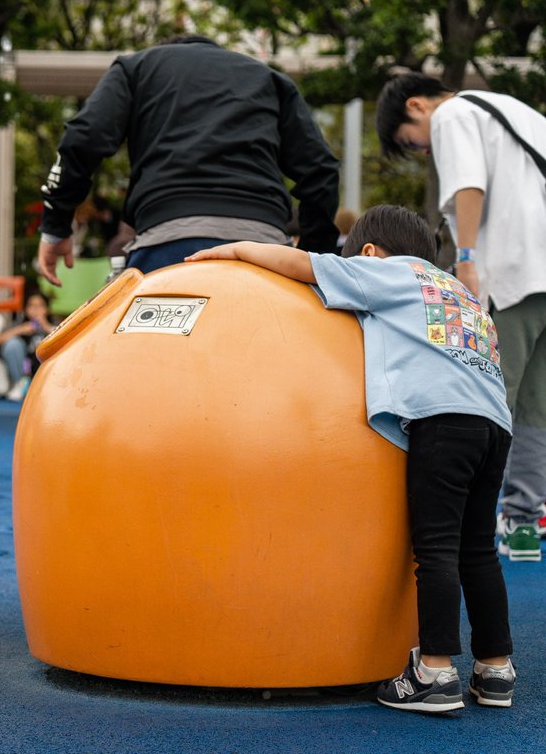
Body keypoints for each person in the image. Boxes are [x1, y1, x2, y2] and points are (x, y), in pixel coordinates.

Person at [188, 205, 516, 713]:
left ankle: (434, 672)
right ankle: (495, 669)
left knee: (435, 547)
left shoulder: (388, 272)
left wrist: (233, 250)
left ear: (368, 252)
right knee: (478, 549)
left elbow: (302, 265)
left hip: (442, 420)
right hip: (494, 423)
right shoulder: (457, 291)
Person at [377, 72, 546, 562]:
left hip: (512, 272)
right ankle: (521, 519)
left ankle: (474, 523)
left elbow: (469, 185)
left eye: (413, 143)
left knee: (493, 397)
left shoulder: (452, 114)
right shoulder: (516, 109)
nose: (423, 153)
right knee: (536, 406)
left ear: (416, 106)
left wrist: (466, 258)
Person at [37, 35, 339, 287]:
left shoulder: (137, 68)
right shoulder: (270, 80)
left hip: (167, 239)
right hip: (264, 248)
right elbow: (321, 169)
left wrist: (56, 225)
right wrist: (311, 259)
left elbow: (83, 137)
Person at [0, 292, 55, 402]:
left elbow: (65, 341)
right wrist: (21, 330)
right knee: (12, 344)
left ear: (46, 309)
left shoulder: (53, 324)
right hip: (23, 372)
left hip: (46, 373)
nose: (35, 309)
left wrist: (46, 327)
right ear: (25, 309)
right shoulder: (20, 323)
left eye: (39, 306)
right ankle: (19, 386)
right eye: (31, 305)